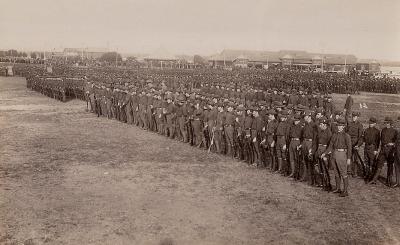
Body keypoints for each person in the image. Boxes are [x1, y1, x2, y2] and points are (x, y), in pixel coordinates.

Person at [322, 117, 352, 197]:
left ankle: (345, 191)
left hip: (342, 154)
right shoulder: (334, 135)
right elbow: (330, 146)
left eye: (341, 125)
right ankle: (338, 188)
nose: (339, 127)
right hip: (334, 154)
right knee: (336, 172)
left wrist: (348, 158)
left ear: (344, 126)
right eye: (338, 125)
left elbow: (349, 148)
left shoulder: (346, 136)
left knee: (343, 173)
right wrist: (325, 153)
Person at [370, 117, 398, 186]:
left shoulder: (395, 131)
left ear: (391, 123)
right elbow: (380, 141)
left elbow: (397, 142)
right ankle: (374, 180)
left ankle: (389, 181)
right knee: (379, 164)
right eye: (386, 123)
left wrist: (393, 144)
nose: (387, 124)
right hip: (383, 150)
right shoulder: (383, 130)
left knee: (390, 165)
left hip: (390, 151)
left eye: (388, 123)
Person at [363, 117, 380, 182]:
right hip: (366, 147)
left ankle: (372, 177)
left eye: (372, 123)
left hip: (373, 148)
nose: (370, 124)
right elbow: (364, 139)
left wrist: (376, 150)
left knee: (372, 163)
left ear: (375, 124)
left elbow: (378, 142)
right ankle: (367, 175)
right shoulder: (366, 130)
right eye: (370, 123)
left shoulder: (377, 131)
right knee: (366, 162)